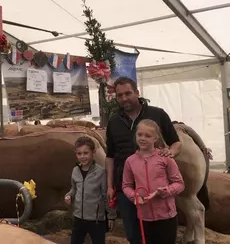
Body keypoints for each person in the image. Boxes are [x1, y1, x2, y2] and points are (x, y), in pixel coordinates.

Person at [105, 76, 182, 244]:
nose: (124, 98)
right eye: (120, 95)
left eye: (128, 93)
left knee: (158, 233)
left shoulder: (157, 114)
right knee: (133, 234)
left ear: (137, 92)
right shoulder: (113, 121)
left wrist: (170, 154)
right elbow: (110, 155)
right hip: (126, 188)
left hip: (154, 186)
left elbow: (175, 142)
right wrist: (110, 185)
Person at [122, 119, 185, 244]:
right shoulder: (130, 161)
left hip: (167, 216)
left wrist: (165, 192)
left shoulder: (165, 159)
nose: (142, 138)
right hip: (144, 217)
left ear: (155, 138)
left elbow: (180, 184)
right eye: (139, 135)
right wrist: (134, 196)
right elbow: (126, 185)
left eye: (148, 135)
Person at [65, 136, 116, 244]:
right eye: (79, 153)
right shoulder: (75, 171)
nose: (82, 157)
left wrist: (111, 216)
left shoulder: (101, 173)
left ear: (93, 153)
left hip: (96, 220)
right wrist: (69, 195)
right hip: (78, 217)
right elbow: (74, 189)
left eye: (86, 153)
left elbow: (105, 195)